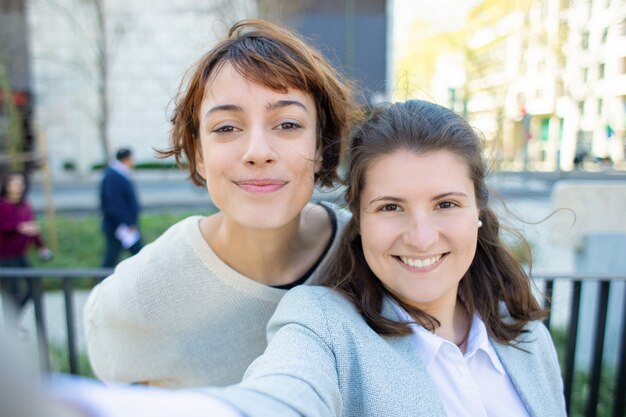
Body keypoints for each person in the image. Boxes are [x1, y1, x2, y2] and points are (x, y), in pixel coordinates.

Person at [44, 99, 566, 417]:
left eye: (446, 204)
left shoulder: (522, 332)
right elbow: (277, 401)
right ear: (359, 221)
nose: (422, 235)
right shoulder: (322, 324)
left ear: (478, 208)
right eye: (390, 207)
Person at [84, 19, 358, 388]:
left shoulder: (366, 251)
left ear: (321, 147)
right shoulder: (143, 294)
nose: (258, 152)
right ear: (198, 154)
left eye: (288, 124)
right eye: (227, 128)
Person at [0, 171, 52, 322]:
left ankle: (14, 321)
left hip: (21, 254)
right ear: (7, 186)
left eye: (20, 184)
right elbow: (4, 226)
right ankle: (12, 325)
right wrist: (19, 227)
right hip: (5, 256)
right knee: (12, 293)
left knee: (34, 287)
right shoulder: (3, 205)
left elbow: (33, 228)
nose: (17, 187)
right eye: (13, 184)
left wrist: (42, 247)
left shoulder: (25, 205)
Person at [99, 148, 143, 268]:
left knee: (137, 254)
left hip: (122, 225)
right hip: (119, 226)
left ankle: (100, 282)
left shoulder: (117, 173)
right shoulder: (114, 175)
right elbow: (115, 203)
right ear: (127, 158)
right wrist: (128, 223)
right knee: (114, 257)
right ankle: (100, 283)